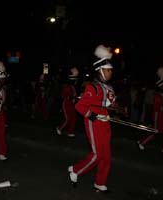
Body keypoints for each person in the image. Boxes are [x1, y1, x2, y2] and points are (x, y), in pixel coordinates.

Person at [68, 44, 116, 193]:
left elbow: (110, 104)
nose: (110, 73)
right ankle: (76, 170)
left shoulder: (109, 87)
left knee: (106, 156)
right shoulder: (92, 87)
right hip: (93, 122)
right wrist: (93, 115)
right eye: (108, 70)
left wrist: (118, 109)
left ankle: (99, 182)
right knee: (97, 154)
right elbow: (79, 106)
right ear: (100, 71)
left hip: (105, 123)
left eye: (111, 70)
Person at [137, 66, 163, 154]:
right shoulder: (158, 96)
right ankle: (142, 142)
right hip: (159, 118)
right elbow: (156, 111)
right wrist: (156, 123)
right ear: (161, 86)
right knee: (155, 132)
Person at [56, 67, 79, 137]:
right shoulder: (67, 86)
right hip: (66, 104)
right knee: (67, 119)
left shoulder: (73, 87)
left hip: (71, 104)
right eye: (75, 79)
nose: (76, 81)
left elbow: (74, 96)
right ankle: (59, 128)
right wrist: (73, 97)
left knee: (73, 118)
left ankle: (70, 132)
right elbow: (64, 96)